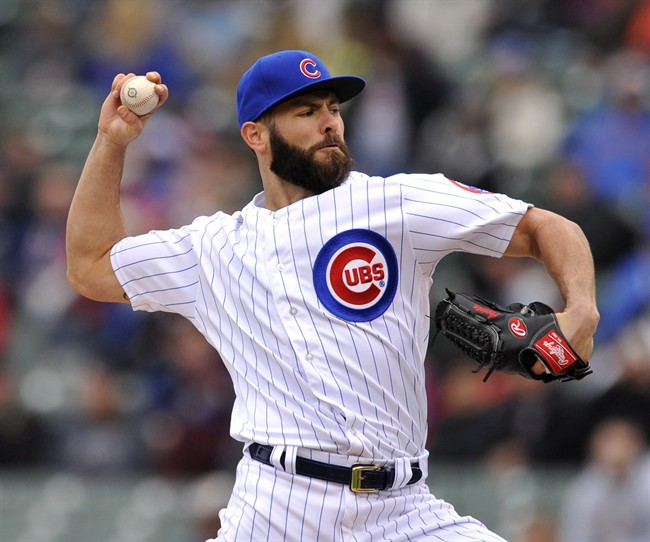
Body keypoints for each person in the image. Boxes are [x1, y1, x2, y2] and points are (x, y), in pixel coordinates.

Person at [66, 50, 599, 542]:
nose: (328, 122)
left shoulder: (397, 203)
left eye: (332, 108)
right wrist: (113, 141)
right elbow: (90, 266)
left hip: (406, 510)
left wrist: (582, 311)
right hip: (276, 509)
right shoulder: (212, 249)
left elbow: (543, 227)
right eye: (304, 112)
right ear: (256, 134)